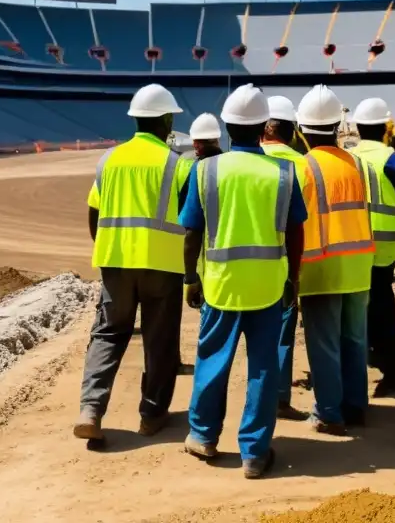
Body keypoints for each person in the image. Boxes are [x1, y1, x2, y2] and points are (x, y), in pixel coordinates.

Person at [180, 84, 307, 479]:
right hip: (268, 286)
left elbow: (192, 233)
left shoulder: (207, 170)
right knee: (264, 369)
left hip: (221, 286)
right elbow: (295, 232)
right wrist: (293, 279)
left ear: (227, 126)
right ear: (262, 127)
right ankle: (254, 453)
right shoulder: (285, 171)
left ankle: (203, 436)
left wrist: (191, 279)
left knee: (212, 362)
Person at [74, 84, 190, 442]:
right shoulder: (178, 164)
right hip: (163, 266)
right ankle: (152, 414)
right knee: (159, 340)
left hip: (116, 262)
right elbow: (190, 221)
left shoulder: (109, 160)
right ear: (167, 120)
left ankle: (91, 410)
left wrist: (109, 249)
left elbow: (94, 213)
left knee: (108, 333)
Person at [295, 85, 375, 435]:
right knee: (355, 339)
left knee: (325, 344)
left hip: (320, 266)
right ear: (335, 128)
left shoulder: (303, 166)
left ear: (301, 130)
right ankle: (356, 405)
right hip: (358, 263)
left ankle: (329, 411)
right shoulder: (356, 163)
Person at [349, 97, 395, 394]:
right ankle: (391, 370)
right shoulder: (392, 160)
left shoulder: (347, 157)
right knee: (383, 306)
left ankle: (360, 365)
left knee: (354, 310)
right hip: (385, 247)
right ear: (384, 128)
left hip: (352, 246)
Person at [261, 95, 310, 420]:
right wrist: (296, 275)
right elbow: (303, 225)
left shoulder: (239, 160)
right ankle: (277, 399)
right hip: (282, 265)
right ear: (292, 131)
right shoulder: (303, 165)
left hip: (235, 267)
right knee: (280, 335)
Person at [176, 113, 224, 375]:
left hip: (206, 261)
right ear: (217, 138)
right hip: (242, 262)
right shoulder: (230, 165)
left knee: (212, 330)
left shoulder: (192, 168)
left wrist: (189, 276)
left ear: (195, 143)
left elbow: (190, 225)